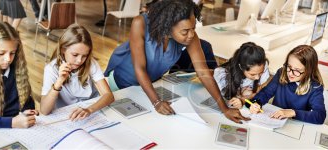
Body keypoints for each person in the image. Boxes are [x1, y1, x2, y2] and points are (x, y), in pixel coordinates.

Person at [104, 0, 249, 123]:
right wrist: (156, 102)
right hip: (121, 86)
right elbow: (140, 69)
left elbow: (203, 72)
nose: (191, 34)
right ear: (167, 27)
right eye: (185, 31)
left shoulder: (189, 35)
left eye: (193, 28)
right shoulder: (140, 23)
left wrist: (224, 109)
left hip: (149, 87)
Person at [40, 25, 114, 121]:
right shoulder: (51, 69)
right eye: (75, 55)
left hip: (91, 110)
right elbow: (44, 110)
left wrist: (89, 110)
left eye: (84, 56)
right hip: (68, 116)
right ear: (63, 49)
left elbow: (109, 96)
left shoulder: (91, 63)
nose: (79, 60)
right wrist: (59, 81)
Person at [249, 45, 326, 124]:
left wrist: (293, 113)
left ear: (309, 71)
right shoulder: (281, 73)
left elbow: (320, 116)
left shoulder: (315, 87)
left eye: (297, 70)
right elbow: (266, 93)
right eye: (289, 66)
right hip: (274, 120)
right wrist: (257, 103)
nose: (290, 73)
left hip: (296, 124)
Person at [214, 42, 270, 109]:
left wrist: (244, 98)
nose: (257, 77)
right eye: (252, 74)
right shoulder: (222, 74)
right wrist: (247, 96)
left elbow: (265, 90)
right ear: (241, 67)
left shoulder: (262, 65)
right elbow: (221, 100)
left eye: (261, 73)